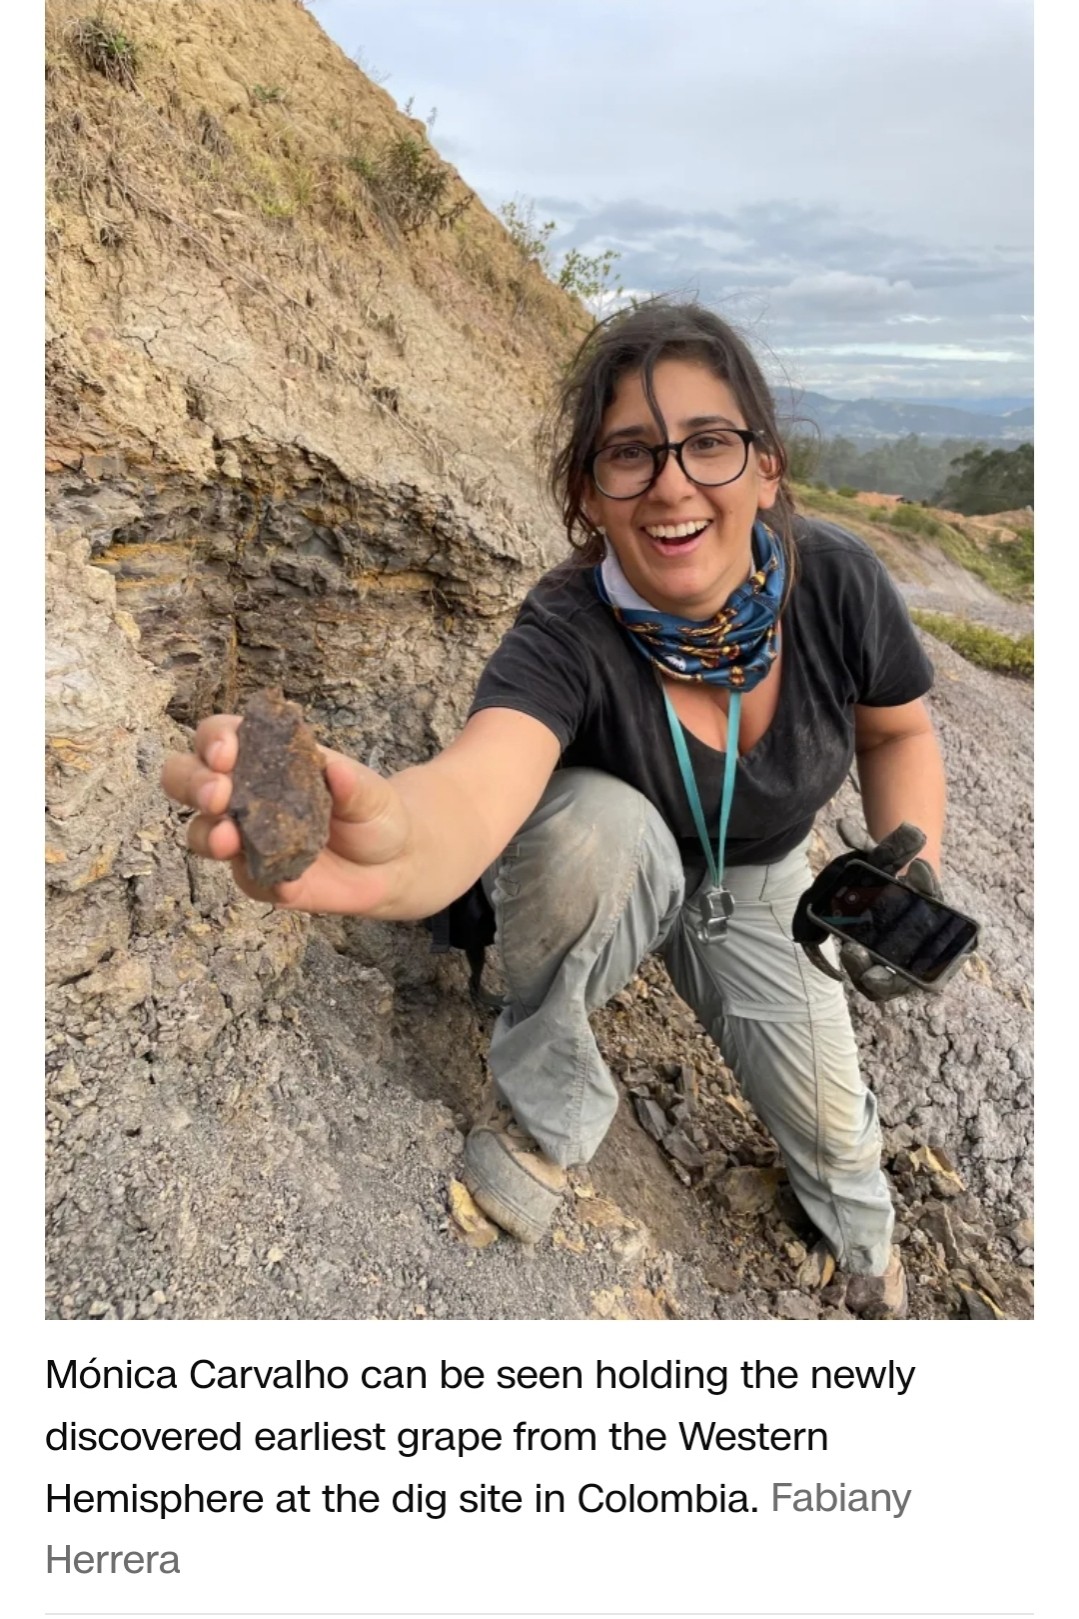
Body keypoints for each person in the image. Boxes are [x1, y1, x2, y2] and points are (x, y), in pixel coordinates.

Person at [162, 300, 947, 1319]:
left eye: (707, 442)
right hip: (607, 864)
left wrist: (907, 865)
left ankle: (861, 1238)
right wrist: (394, 839)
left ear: (765, 466)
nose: (671, 482)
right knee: (593, 825)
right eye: (630, 453)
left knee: (838, 1137)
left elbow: (896, 733)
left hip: (758, 875)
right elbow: (474, 784)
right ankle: (545, 1113)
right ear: (588, 493)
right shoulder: (566, 629)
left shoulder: (836, 582)